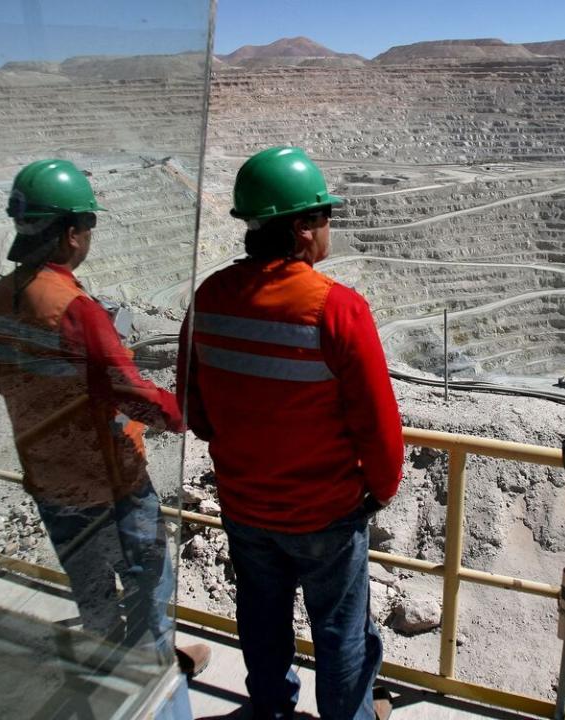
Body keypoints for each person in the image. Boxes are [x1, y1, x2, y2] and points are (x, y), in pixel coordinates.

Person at [177, 146, 403, 720]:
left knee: (262, 618)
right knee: (341, 633)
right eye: (324, 216)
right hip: (324, 512)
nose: (329, 227)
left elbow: (195, 410)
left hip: (245, 505)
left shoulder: (209, 298)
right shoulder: (337, 309)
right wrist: (379, 489)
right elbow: (378, 426)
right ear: (302, 228)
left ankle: (273, 710)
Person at [0, 158, 209, 678]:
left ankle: (105, 671)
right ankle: (151, 675)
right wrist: (182, 413)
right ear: (68, 234)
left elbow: (1, 378)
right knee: (149, 575)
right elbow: (129, 390)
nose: (89, 236)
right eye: (88, 226)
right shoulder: (73, 308)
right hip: (109, 481)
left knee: (89, 584)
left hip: (49, 476)